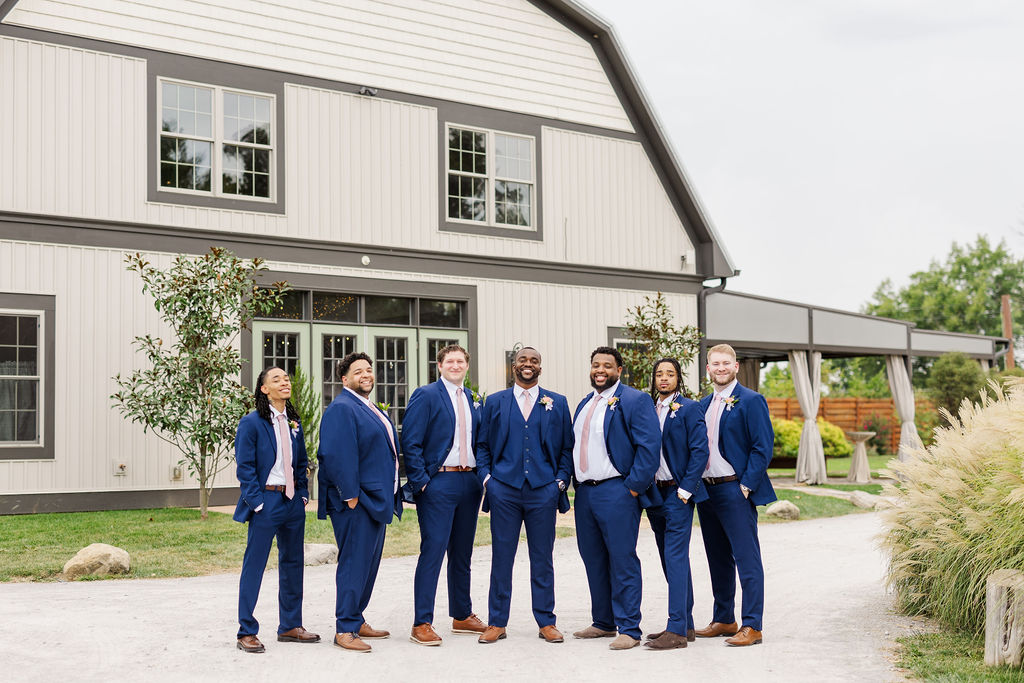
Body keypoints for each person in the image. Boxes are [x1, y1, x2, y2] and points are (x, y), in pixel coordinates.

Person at [474, 346, 574, 644]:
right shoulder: (495, 402)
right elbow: (482, 446)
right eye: (522, 360)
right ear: (513, 365)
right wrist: (488, 480)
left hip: (543, 490)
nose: (528, 364)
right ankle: (497, 622)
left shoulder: (557, 402)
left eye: (534, 360)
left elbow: (566, 448)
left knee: (542, 558)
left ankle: (546, 621)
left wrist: (559, 481)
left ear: (540, 367)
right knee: (501, 557)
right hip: (503, 489)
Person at [571, 346, 660, 650]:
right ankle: (603, 621)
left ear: (619, 370)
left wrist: (632, 488)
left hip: (617, 491)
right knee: (593, 558)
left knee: (622, 559)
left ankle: (630, 628)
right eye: (595, 365)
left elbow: (649, 449)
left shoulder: (635, 399)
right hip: (584, 493)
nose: (600, 370)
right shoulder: (584, 403)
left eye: (607, 366)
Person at [317, 352, 403, 653]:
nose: (366, 375)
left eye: (369, 370)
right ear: (344, 379)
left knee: (369, 564)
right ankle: (345, 628)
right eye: (358, 371)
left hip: (377, 500)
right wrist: (350, 496)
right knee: (354, 563)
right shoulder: (342, 407)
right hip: (357, 502)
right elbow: (334, 454)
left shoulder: (368, 407)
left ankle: (357, 617)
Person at [401, 344, 486, 645]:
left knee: (462, 553)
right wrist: (422, 482)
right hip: (439, 483)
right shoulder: (426, 395)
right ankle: (421, 622)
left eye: (460, 361)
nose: (455, 365)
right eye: (449, 361)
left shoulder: (474, 399)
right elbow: (409, 442)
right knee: (433, 551)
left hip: (469, 484)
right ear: (439, 365)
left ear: (467, 365)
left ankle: (462, 614)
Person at [233, 367, 320, 653]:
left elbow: (301, 462)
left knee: (294, 563)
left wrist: (303, 494)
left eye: (286, 378)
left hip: (292, 503)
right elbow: (245, 468)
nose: (284, 382)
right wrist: (257, 503)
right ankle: (246, 630)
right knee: (254, 565)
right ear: (264, 389)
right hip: (266, 502)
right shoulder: (252, 422)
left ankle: (290, 626)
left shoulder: (294, 422)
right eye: (276, 379)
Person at [695, 343, 776, 647]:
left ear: (736, 366)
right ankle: (724, 619)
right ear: (708, 368)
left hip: (734, 488)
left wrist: (746, 485)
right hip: (707, 491)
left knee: (746, 558)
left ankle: (752, 625)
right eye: (715, 364)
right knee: (717, 557)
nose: (720, 368)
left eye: (726, 363)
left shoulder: (751, 401)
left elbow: (762, 446)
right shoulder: (701, 405)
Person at [642, 358, 710, 650]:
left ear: (678, 378)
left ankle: (676, 631)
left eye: (670, 374)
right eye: (659, 374)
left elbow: (700, 451)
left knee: (676, 557)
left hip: (678, 494)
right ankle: (687, 624)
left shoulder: (690, 408)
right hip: (654, 493)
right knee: (668, 559)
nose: (664, 378)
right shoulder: (646, 408)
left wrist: (686, 491)